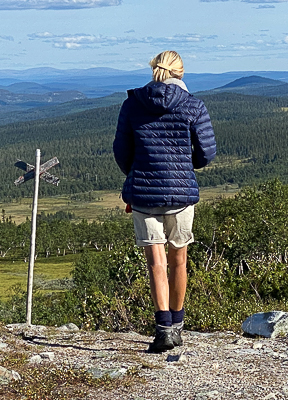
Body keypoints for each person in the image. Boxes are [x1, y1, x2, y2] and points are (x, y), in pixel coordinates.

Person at [112, 50, 217, 353]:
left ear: (154, 70)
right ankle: (179, 326)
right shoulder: (193, 105)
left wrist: (135, 173)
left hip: (143, 193)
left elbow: (121, 150)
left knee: (155, 262)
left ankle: (162, 332)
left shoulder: (132, 104)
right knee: (179, 259)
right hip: (181, 194)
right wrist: (187, 165)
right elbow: (206, 152)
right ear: (180, 73)